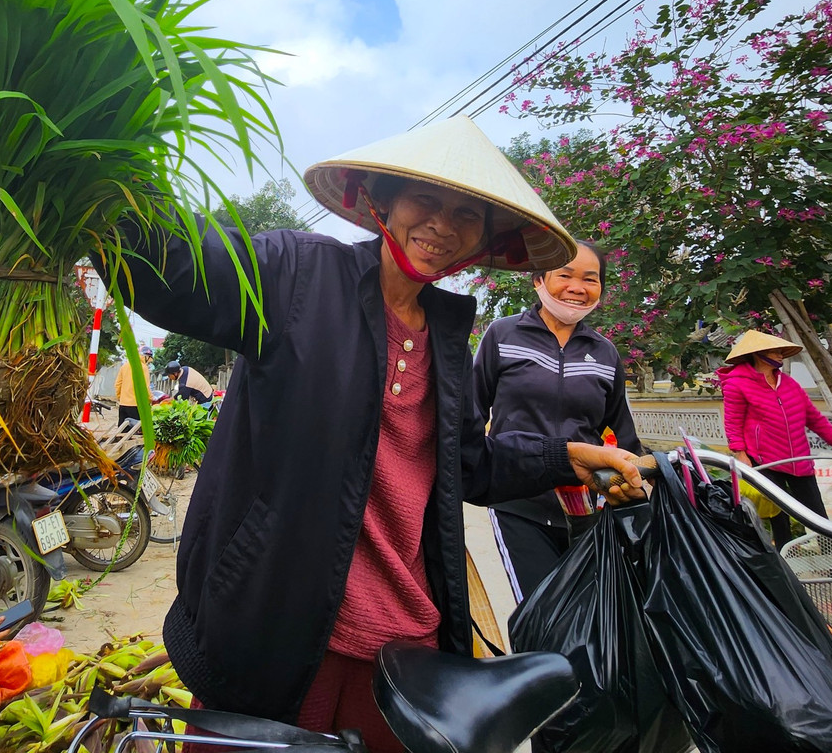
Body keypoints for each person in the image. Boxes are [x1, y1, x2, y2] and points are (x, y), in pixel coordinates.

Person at [97, 117, 643, 748]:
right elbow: (177, 277)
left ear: (483, 241)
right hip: (277, 618)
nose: (442, 225)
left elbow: (466, 463)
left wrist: (562, 458)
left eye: (466, 216)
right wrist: (104, 175)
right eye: (426, 201)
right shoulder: (296, 274)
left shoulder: (449, 336)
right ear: (380, 198)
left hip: (403, 641)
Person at [473, 241, 642, 602]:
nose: (577, 287)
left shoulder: (604, 352)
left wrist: (641, 484)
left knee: (591, 615)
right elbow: (470, 413)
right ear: (538, 279)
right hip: (516, 502)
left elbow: (624, 433)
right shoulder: (503, 336)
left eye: (590, 279)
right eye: (565, 275)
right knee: (540, 615)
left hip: (588, 509)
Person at [720, 330, 832, 546]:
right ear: (758, 354)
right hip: (764, 459)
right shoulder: (737, 384)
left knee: (817, 513)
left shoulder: (790, 384)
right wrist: (739, 452)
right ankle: (786, 563)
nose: (780, 355)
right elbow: (733, 421)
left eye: (780, 352)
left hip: (798, 459)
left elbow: (815, 419)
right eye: (774, 351)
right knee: (779, 516)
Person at [114, 345, 153, 426]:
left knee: (122, 431)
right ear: (146, 356)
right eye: (149, 359)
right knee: (135, 433)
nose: (149, 362)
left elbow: (118, 384)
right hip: (136, 405)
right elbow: (145, 387)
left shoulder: (124, 366)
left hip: (123, 404)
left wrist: (120, 397)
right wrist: (150, 399)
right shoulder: (143, 368)